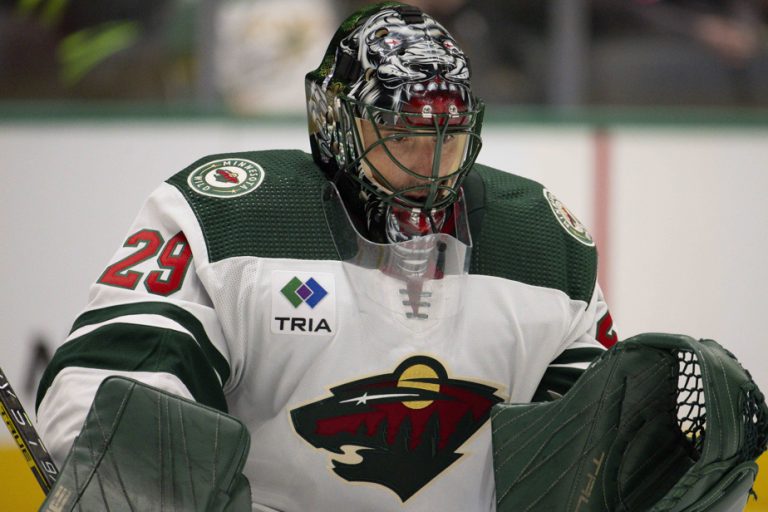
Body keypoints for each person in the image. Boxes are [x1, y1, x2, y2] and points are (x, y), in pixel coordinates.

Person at [35, 2, 617, 511]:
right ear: (335, 121)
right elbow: (103, 397)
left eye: (450, 135)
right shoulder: (223, 214)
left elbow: (593, 448)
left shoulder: (545, 242)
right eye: (401, 133)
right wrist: (137, 483)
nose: (429, 165)